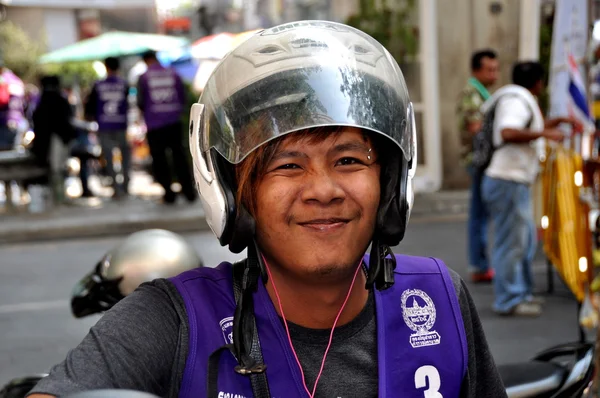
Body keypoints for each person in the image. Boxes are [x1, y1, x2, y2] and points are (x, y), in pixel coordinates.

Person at [27, 21, 505, 398]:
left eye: (348, 159)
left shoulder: (439, 303)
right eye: (287, 165)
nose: (323, 189)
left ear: (391, 180)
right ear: (236, 194)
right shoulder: (174, 323)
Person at [481, 61, 580, 316]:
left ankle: (520, 293)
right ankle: (509, 299)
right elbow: (508, 132)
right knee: (512, 242)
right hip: (507, 180)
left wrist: (550, 125)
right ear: (538, 82)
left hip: (511, 180)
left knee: (522, 240)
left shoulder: (516, 98)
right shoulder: (516, 100)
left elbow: (521, 128)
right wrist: (545, 135)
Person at [455, 49, 499, 283]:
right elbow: (475, 127)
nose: (495, 74)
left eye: (496, 69)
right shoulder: (472, 93)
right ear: (476, 70)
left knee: (481, 214)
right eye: (489, 69)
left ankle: (480, 263)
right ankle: (479, 265)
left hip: (480, 160)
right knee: (479, 215)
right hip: (478, 160)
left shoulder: (482, 94)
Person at [137, 50, 196, 204]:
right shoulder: (173, 73)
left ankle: (169, 194)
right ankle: (189, 192)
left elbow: (140, 102)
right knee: (179, 156)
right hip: (174, 122)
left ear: (146, 60)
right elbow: (183, 97)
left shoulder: (144, 77)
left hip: (154, 125)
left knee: (160, 160)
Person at [85, 57, 131, 198]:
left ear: (106, 67)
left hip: (104, 125)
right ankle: (126, 186)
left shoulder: (98, 84)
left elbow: (90, 106)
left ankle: (117, 189)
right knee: (125, 157)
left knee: (109, 159)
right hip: (121, 124)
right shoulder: (124, 84)